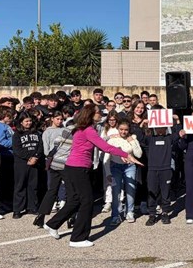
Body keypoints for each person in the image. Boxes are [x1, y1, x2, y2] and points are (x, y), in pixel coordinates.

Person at [44, 104, 141, 248]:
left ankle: (53, 224)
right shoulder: (88, 130)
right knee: (87, 201)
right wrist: (126, 154)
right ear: (90, 114)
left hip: (73, 168)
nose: (100, 114)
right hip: (77, 169)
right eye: (98, 112)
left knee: (75, 200)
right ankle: (77, 239)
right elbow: (105, 147)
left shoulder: (83, 128)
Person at [107, 119, 143, 225]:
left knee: (130, 189)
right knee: (116, 191)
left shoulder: (133, 138)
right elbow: (106, 157)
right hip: (115, 167)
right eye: (121, 129)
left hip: (130, 166)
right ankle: (115, 214)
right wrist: (107, 172)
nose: (123, 132)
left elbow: (139, 154)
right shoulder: (112, 140)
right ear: (118, 129)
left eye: (126, 130)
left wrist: (132, 141)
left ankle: (130, 212)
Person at [34, 112, 67, 228]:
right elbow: (46, 149)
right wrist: (53, 156)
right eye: (57, 119)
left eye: (61, 119)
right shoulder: (47, 132)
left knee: (64, 186)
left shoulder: (65, 130)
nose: (59, 121)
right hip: (53, 161)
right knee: (52, 188)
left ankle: (64, 205)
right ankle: (42, 214)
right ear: (52, 119)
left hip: (64, 161)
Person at [11, 112, 43, 219]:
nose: (29, 123)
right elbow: (17, 149)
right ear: (21, 122)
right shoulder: (17, 134)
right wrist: (29, 157)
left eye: (30, 121)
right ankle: (18, 209)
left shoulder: (36, 133)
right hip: (22, 163)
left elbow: (40, 146)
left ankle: (32, 206)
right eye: (26, 121)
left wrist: (36, 157)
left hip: (35, 162)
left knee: (33, 185)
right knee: (20, 185)